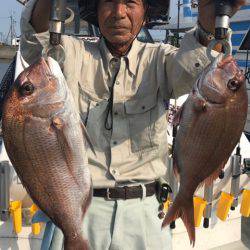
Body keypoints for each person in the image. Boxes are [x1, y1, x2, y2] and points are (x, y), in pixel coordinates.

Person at [20, 0, 245, 249]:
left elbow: (193, 68)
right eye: (107, 2)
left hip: (145, 216)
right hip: (76, 211)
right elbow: (36, 44)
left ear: (146, 12)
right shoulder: (71, 54)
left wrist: (207, 23)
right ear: (95, 10)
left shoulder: (161, 59)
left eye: (130, 2)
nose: (118, 12)